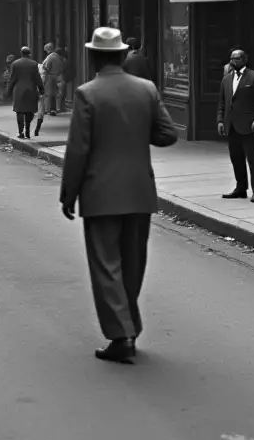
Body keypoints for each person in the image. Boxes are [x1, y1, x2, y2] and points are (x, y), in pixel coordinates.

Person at [60, 26, 177, 364]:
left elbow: (77, 151)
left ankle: (121, 334)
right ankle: (130, 327)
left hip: (100, 191)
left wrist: (69, 193)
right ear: (124, 56)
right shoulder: (147, 89)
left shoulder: (87, 93)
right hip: (140, 189)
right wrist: (138, 134)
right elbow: (168, 134)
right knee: (132, 263)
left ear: (94, 56)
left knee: (106, 265)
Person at [218, 48, 254, 203]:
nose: (234, 61)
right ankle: (241, 188)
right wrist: (220, 120)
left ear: (245, 60)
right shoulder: (226, 79)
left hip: (248, 125)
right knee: (236, 158)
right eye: (232, 59)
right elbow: (222, 102)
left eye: (237, 59)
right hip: (231, 125)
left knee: (252, 159)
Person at [7, 47, 44, 140]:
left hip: (18, 90)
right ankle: (27, 130)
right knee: (29, 111)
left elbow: (12, 79)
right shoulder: (34, 64)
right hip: (31, 89)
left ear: (21, 53)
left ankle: (21, 132)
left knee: (19, 112)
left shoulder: (15, 64)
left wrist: (8, 91)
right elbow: (37, 78)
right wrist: (41, 89)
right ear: (29, 53)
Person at [36, 41, 64, 133]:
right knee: (55, 94)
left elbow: (46, 67)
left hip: (50, 77)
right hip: (57, 76)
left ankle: (47, 109)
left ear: (48, 50)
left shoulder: (50, 57)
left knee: (48, 93)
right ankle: (54, 109)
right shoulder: (58, 57)